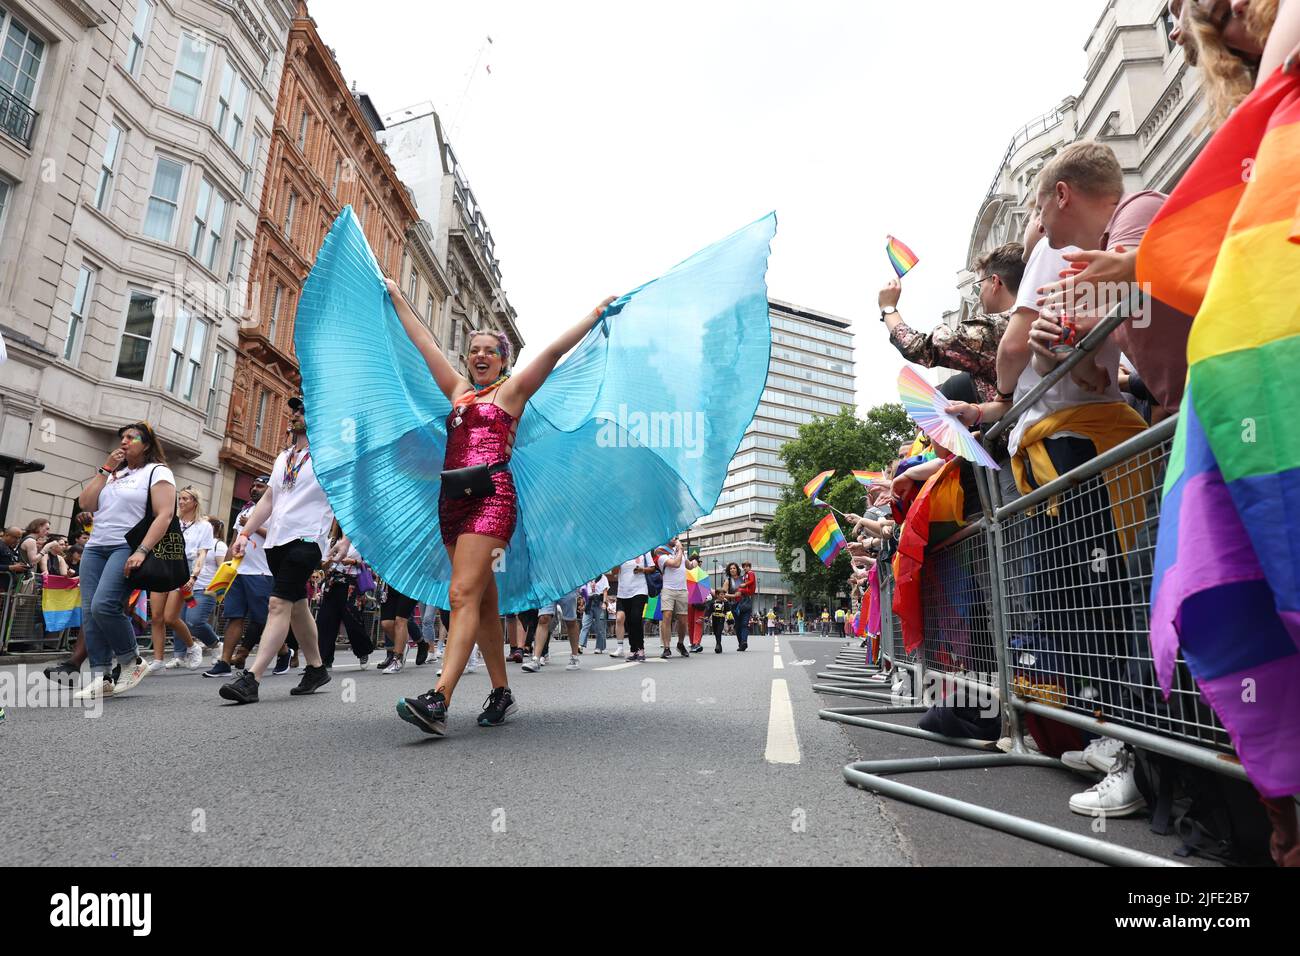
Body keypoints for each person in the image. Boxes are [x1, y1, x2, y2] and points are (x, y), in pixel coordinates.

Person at [388, 274, 617, 734]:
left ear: (504, 360)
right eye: (474, 351)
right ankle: (502, 691)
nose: (480, 356)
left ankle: (439, 698)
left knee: (459, 596)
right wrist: (395, 296)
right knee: (483, 603)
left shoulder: (510, 394)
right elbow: (422, 340)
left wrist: (593, 316)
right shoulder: (457, 392)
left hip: (492, 500)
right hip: (451, 504)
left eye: (490, 351)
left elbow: (552, 353)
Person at [1028, 141, 1183, 419]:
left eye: (1040, 208)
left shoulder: (1137, 207)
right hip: (1202, 408)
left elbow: (1103, 306)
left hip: (1236, 396)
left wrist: (1073, 347)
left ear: (1062, 194)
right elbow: (1053, 360)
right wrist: (1050, 346)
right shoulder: (1105, 258)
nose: (1039, 224)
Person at [217, 396, 347, 703]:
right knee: (297, 605)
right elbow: (269, 501)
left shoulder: (330, 456)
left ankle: (252, 679)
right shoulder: (283, 457)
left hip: (307, 540)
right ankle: (316, 668)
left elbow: (346, 500)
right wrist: (245, 533)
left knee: (277, 604)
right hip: (276, 542)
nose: (295, 414)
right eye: (294, 410)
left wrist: (346, 539)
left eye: (303, 410)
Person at [71, 422, 171, 700]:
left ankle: (132, 660)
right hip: (96, 547)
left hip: (125, 546)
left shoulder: (157, 471)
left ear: (147, 444)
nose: (124, 441)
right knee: (90, 612)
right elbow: (86, 504)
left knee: (105, 605)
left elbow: (164, 514)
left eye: (132, 437)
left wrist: (141, 550)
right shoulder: (115, 474)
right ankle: (101, 675)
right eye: (122, 437)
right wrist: (105, 469)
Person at [879, 245, 1020, 405]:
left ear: (995, 282)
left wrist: (888, 308)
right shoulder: (1037, 316)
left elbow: (921, 348)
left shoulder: (992, 329)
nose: (979, 294)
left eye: (978, 286)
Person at [204, 476, 274, 678]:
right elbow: (234, 541)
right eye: (252, 485)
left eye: (260, 486)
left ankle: (285, 652)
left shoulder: (275, 510)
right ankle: (224, 662)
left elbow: (275, 538)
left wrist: (252, 525)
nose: (254, 489)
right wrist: (224, 570)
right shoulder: (243, 512)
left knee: (264, 619)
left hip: (262, 572)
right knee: (234, 616)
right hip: (238, 571)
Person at [153, 486, 208, 671]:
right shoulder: (170, 521)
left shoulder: (204, 526)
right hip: (162, 567)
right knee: (156, 616)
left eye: (185, 498)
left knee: (170, 617)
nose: (181, 501)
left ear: (195, 502)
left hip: (184, 571)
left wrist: (194, 576)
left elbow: (201, 555)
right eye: (180, 498)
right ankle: (158, 660)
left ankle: (192, 646)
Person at [315, 525, 373, 669]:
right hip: (333, 583)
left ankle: (362, 651)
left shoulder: (362, 540)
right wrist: (327, 564)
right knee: (325, 621)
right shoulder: (332, 542)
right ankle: (324, 659)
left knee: (353, 620)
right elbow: (322, 564)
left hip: (352, 584)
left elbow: (371, 563)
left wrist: (353, 561)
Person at [184, 516, 225, 662]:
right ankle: (180, 655)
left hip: (205, 589)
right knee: (184, 621)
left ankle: (216, 645)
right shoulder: (194, 541)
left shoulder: (218, 545)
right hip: (188, 589)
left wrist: (219, 592)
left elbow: (223, 569)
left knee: (195, 621)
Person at [524, 589, 582, 672]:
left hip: (566, 585)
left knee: (570, 621)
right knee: (543, 618)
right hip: (547, 585)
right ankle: (536, 659)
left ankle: (574, 657)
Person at [655, 537, 691, 659]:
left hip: (682, 589)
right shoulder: (661, 553)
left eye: (676, 537)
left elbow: (689, 566)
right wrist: (680, 550)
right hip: (668, 589)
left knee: (683, 620)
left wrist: (694, 562)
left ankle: (680, 644)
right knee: (667, 616)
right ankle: (666, 647)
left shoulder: (681, 553)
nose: (675, 539)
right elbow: (675, 564)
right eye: (672, 537)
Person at [613, 553, 653, 663]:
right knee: (629, 621)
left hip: (640, 589)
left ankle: (641, 649)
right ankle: (633, 650)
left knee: (636, 618)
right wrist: (617, 562)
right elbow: (614, 572)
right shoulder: (621, 551)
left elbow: (652, 568)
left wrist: (642, 569)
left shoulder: (645, 551)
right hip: (623, 592)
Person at [377, 580, 419, 674]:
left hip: (409, 581)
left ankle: (398, 659)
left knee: (400, 620)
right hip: (389, 583)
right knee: (386, 624)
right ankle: (403, 645)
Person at [578, 573, 609, 653]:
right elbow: (583, 591)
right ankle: (580, 645)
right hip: (589, 602)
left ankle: (599, 647)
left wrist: (604, 603)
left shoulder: (603, 577)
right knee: (585, 624)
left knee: (600, 626)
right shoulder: (587, 577)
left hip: (599, 602)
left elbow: (605, 591)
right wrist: (582, 604)